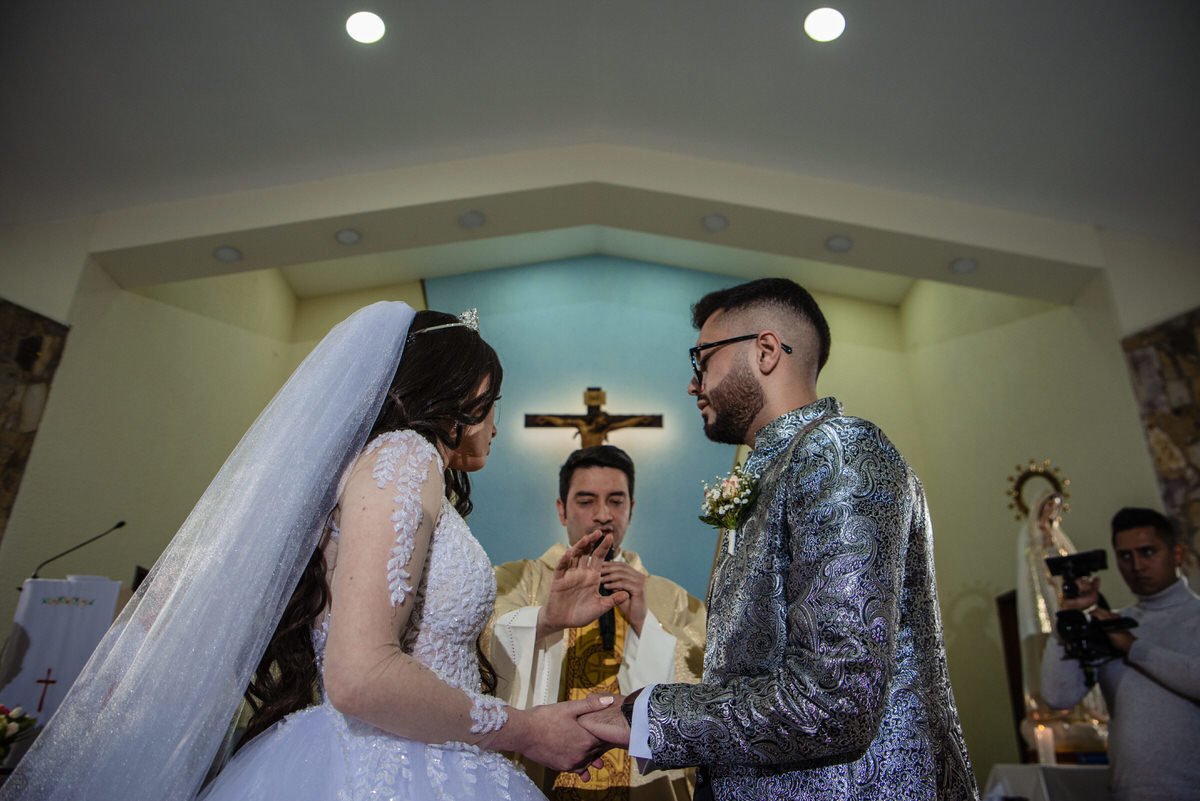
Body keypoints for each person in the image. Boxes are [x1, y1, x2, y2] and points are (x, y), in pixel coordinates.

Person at [1, 303, 617, 801]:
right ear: (455, 390)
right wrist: (527, 730)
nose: (496, 426)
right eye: (491, 405)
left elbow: (422, 646)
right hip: (386, 766)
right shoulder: (406, 457)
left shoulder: (393, 468)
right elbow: (362, 674)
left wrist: (543, 619)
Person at [578, 278, 979, 800]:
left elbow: (836, 697)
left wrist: (646, 715)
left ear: (766, 350)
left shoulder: (837, 450)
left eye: (702, 359)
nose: (693, 383)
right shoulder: (768, 477)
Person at [488, 445, 706, 800]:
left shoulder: (672, 598)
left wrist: (645, 626)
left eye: (616, 501)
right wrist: (544, 620)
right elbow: (483, 641)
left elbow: (708, 680)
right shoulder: (519, 580)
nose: (603, 514)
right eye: (586, 501)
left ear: (631, 510)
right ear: (562, 510)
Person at [1040, 507, 1200, 801]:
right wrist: (1069, 619)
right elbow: (1057, 696)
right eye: (1125, 556)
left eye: (1147, 552)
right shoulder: (1113, 625)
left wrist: (1132, 646)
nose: (1136, 565)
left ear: (1177, 554)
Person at [1014, 490, 1107, 755]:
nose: (1052, 512)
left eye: (1056, 507)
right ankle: (1053, 713)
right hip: (1046, 601)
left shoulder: (1059, 537)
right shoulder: (1031, 538)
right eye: (1048, 507)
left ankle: (1085, 710)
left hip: (1063, 599)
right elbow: (1033, 574)